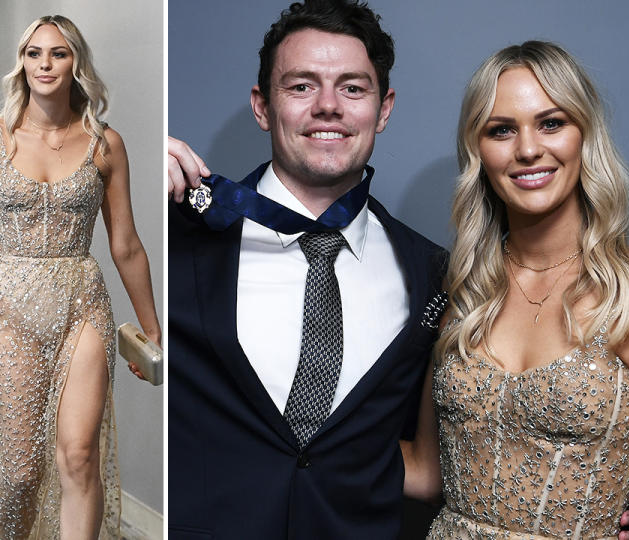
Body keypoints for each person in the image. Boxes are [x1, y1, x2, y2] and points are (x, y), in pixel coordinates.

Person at [167, 1, 447, 537]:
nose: (327, 106)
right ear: (262, 107)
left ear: (383, 109)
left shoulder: (435, 272)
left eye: (353, 88)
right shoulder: (181, 232)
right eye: (300, 87)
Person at [399, 41, 629, 539]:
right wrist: (281, 436)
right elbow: (426, 472)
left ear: (585, 135)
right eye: (501, 130)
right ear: (478, 151)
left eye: (551, 123)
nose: (528, 149)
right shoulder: (464, 292)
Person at [0, 15, 160, 540]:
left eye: (58, 54)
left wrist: (153, 330)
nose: (45, 64)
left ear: (76, 63)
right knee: (19, 469)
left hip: (82, 304)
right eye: (35, 53)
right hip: (7, 310)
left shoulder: (105, 143)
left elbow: (125, 244)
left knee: (80, 455)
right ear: (22, 62)